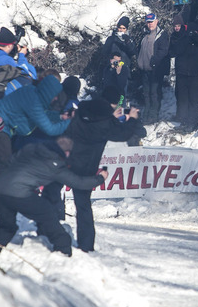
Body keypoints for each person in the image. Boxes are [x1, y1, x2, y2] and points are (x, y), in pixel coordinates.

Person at [0, 136, 109, 257]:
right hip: (19, 193)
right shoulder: (55, 165)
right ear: (66, 152)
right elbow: (78, 182)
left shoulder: (31, 148)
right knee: (48, 213)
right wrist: (100, 178)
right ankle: (63, 250)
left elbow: (9, 161)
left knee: (7, 227)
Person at [61, 93, 142, 251]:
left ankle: (49, 233)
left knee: (52, 197)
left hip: (64, 161)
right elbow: (123, 134)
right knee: (83, 207)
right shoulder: (104, 125)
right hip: (86, 169)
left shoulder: (80, 115)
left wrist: (111, 118)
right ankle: (86, 245)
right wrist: (132, 118)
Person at [0, 74, 72, 143]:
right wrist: (71, 121)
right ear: (49, 93)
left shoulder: (31, 91)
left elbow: (43, 114)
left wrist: (60, 117)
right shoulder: (33, 102)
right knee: (3, 154)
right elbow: (50, 129)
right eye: (55, 95)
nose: (56, 98)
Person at [169, 14, 198, 132]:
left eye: (178, 26)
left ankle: (192, 122)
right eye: (175, 26)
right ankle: (184, 121)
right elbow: (175, 51)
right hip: (182, 72)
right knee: (183, 98)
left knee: (194, 98)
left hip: (197, 73)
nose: (177, 28)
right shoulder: (178, 37)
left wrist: (197, 38)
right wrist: (186, 39)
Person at [137, 13, 170, 123]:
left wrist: (154, 61)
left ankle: (153, 115)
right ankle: (146, 114)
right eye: (148, 22)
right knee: (146, 93)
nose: (150, 24)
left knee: (154, 93)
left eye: (152, 21)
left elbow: (163, 51)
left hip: (155, 70)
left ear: (156, 21)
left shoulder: (161, 34)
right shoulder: (144, 34)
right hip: (144, 69)